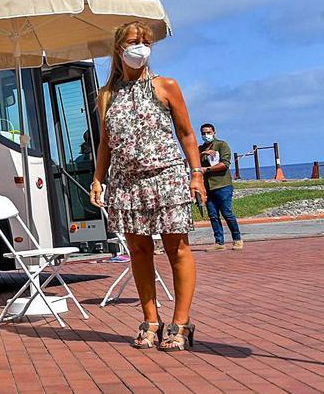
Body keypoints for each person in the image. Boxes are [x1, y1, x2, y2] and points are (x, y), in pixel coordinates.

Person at [89, 20, 205, 352]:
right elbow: (105, 144)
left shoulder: (166, 86)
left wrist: (196, 174)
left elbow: (186, 133)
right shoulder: (107, 96)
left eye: (145, 42)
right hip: (126, 183)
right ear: (118, 49)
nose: (140, 48)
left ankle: (181, 323)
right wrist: (99, 179)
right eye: (133, 42)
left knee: (176, 248)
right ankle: (151, 320)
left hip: (166, 176)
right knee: (139, 252)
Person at [199, 123, 241, 250]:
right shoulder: (200, 149)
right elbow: (194, 162)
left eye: (208, 132)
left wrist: (207, 169)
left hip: (223, 185)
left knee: (227, 213)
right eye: (203, 133)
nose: (206, 135)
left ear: (214, 132)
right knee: (213, 215)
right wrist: (203, 154)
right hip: (208, 187)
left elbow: (225, 164)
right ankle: (219, 242)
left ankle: (237, 239)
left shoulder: (222, 145)